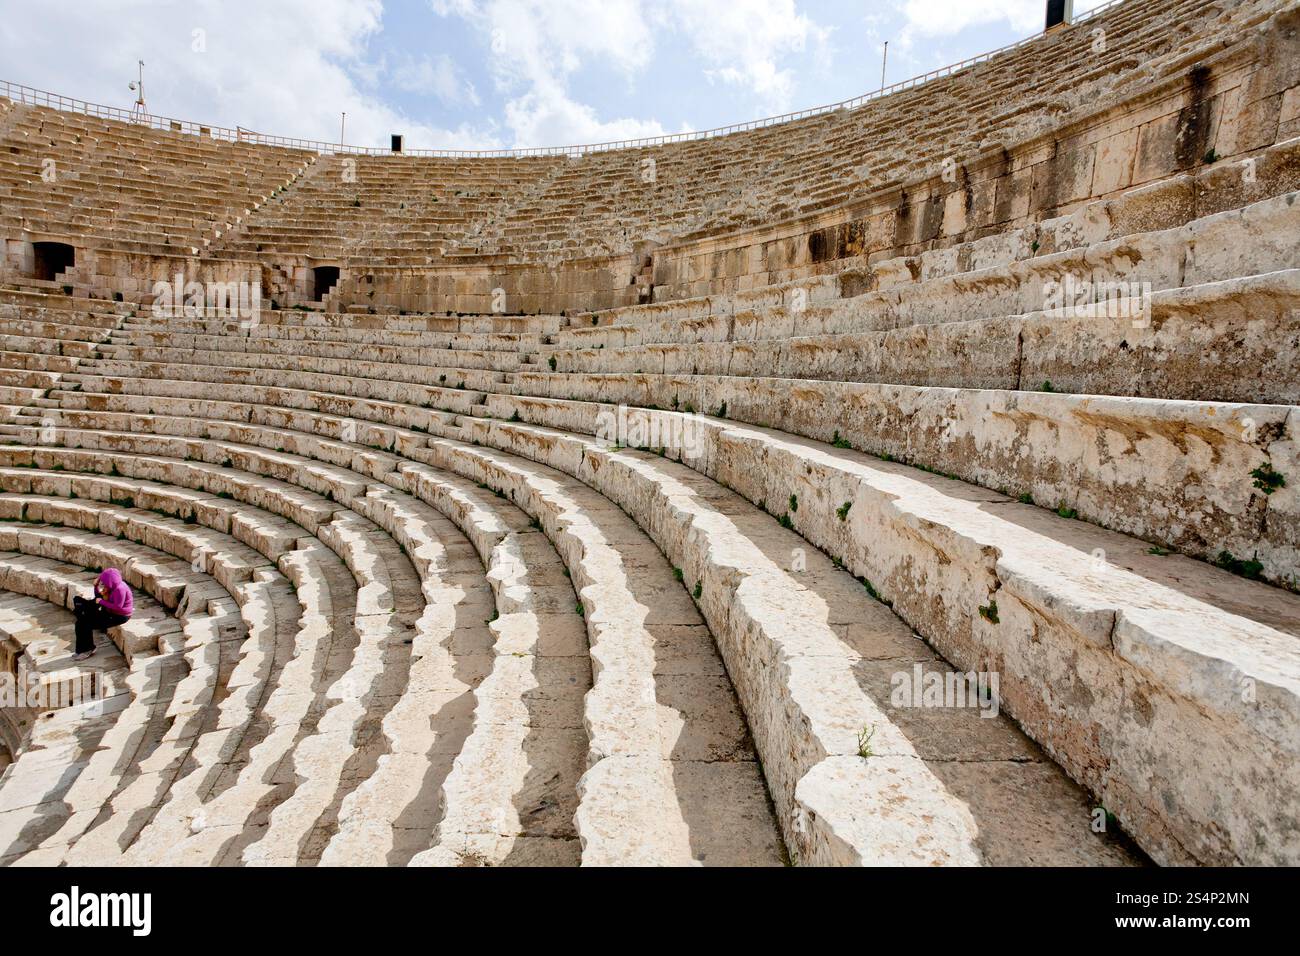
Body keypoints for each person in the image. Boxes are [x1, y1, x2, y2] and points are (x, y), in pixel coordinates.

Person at [72, 568, 134, 661]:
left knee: (85, 624)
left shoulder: (120, 589)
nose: (103, 583)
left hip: (119, 616)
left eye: (104, 582)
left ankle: (88, 649)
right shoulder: (112, 586)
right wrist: (95, 586)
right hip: (109, 611)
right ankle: (82, 649)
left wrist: (101, 602)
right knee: (80, 622)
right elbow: (98, 597)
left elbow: (118, 607)